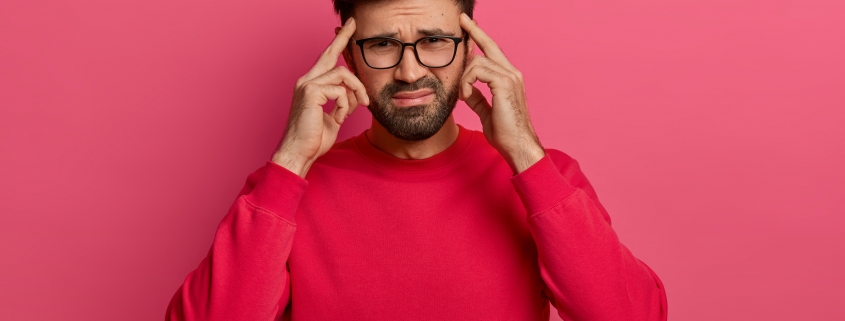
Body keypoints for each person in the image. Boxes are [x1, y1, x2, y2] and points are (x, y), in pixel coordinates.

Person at [165, 0, 668, 320]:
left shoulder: (543, 177)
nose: (409, 72)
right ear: (348, 55)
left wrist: (525, 155)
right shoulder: (281, 189)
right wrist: (291, 162)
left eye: (433, 42)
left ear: (471, 48)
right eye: (382, 44)